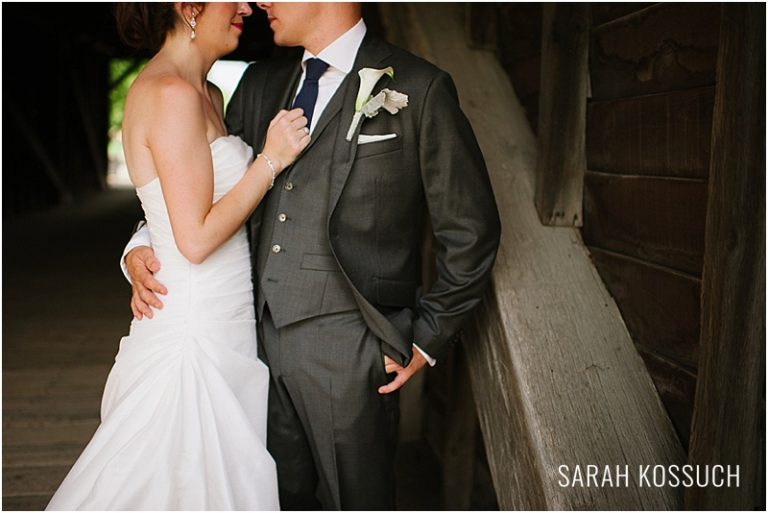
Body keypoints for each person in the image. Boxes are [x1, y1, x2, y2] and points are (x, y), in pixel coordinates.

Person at [125, 2, 501, 510]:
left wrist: (427, 336)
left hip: (352, 356)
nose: (258, 3)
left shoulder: (419, 87)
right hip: (247, 346)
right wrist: (140, 245)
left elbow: (471, 230)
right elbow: (196, 191)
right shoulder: (259, 85)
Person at [46, 3, 310, 510]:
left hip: (225, 319)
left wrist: (138, 244)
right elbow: (194, 238)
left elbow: (173, 202)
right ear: (189, 7)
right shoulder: (170, 95)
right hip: (193, 328)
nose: (248, 7)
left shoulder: (207, 93)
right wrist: (271, 159)